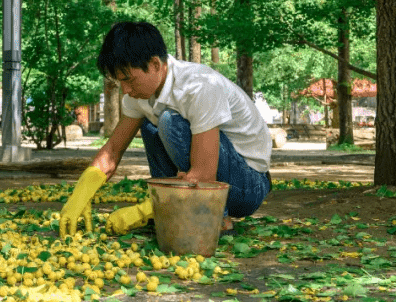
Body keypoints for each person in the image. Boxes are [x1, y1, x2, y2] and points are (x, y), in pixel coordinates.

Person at [60, 21, 271, 238]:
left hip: (247, 186)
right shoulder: (138, 94)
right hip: (216, 177)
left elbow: (204, 175)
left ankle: (216, 219)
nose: (126, 90)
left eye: (130, 80)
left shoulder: (199, 86)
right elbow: (113, 150)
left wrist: (143, 210)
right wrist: (82, 192)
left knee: (169, 121)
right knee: (151, 126)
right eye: (120, 82)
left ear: (155, 64)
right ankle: (169, 213)